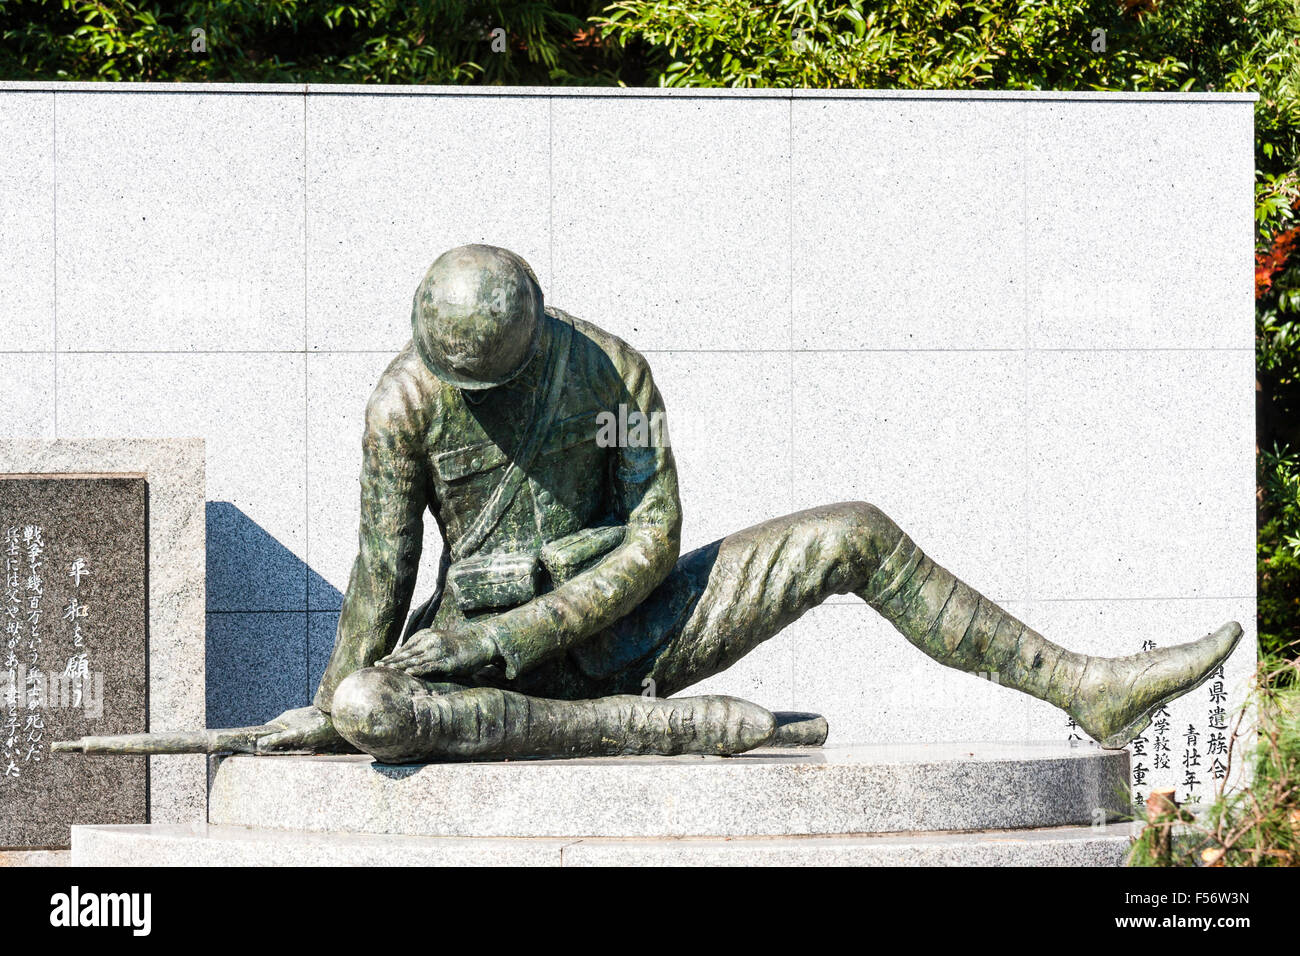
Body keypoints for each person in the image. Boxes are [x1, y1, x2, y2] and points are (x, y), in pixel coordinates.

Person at [255, 244, 1241, 762]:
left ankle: (1082, 683)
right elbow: (380, 566)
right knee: (366, 702)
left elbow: (652, 539)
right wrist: (330, 704)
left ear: (536, 334)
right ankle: (606, 730)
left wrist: (505, 636)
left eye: (487, 380)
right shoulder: (402, 404)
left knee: (852, 533)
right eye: (451, 377)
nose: (464, 395)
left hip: (631, 631)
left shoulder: (609, 376)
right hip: (479, 681)